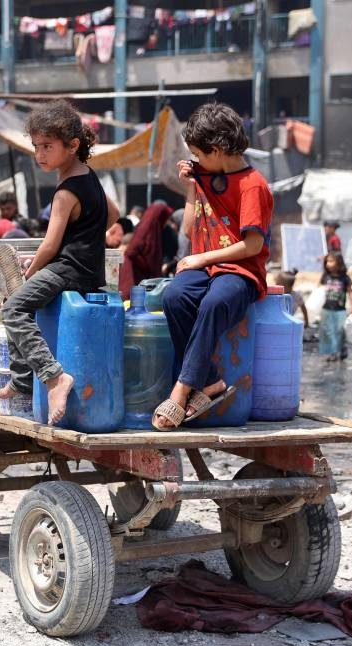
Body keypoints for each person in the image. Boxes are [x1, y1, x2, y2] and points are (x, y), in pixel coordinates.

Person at [0, 99, 119, 425]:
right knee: (17, 303)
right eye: (36, 147)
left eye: (48, 146)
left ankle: (53, 378)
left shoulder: (65, 192)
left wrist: (31, 270)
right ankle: (21, 381)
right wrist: (87, 236)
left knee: (12, 308)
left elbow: (50, 244)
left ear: (73, 145)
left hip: (69, 269)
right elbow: (113, 215)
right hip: (87, 267)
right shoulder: (89, 177)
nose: (40, 154)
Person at [152, 101, 273, 431]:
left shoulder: (253, 185)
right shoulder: (205, 174)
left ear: (217, 150)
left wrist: (201, 258)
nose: (196, 161)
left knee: (214, 302)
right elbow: (190, 229)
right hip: (203, 268)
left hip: (241, 271)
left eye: (200, 154)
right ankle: (209, 382)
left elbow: (253, 245)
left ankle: (181, 389)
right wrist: (192, 188)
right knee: (174, 297)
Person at [119, 200, 174, 297]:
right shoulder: (144, 230)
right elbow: (131, 252)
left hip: (143, 278)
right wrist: (146, 266)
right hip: (134, 277)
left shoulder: (155, 232)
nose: (166, 222)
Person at [318, 252, 352, 362]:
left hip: (339, 310)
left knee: (338, 331)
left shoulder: (345, 278)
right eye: (327, 262)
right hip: (326, 309)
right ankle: (329, 352)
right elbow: (319, 291)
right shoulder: (325, 276)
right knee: (326, 331)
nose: (328, 264)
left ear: (339, 263)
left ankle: (338, 350)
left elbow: (351, 293)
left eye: (331, 261)